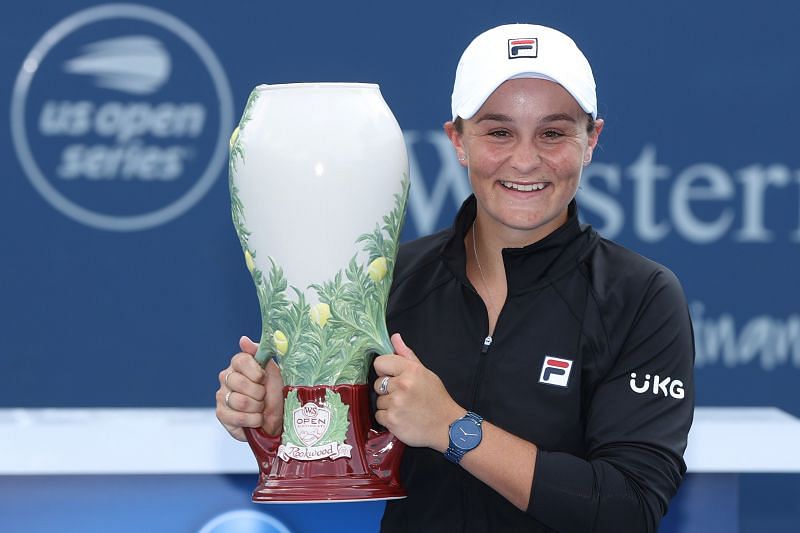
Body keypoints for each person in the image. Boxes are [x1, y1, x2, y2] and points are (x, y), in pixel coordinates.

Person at [216, 23, 695, 532]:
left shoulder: (641, 296)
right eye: (498, 131)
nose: (526, 159)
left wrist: (452, 427)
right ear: (458, 140)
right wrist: (284, 420)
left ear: (591, 139)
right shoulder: (388, 282)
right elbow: (345, 454)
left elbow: (629, 507)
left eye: (553, 133)